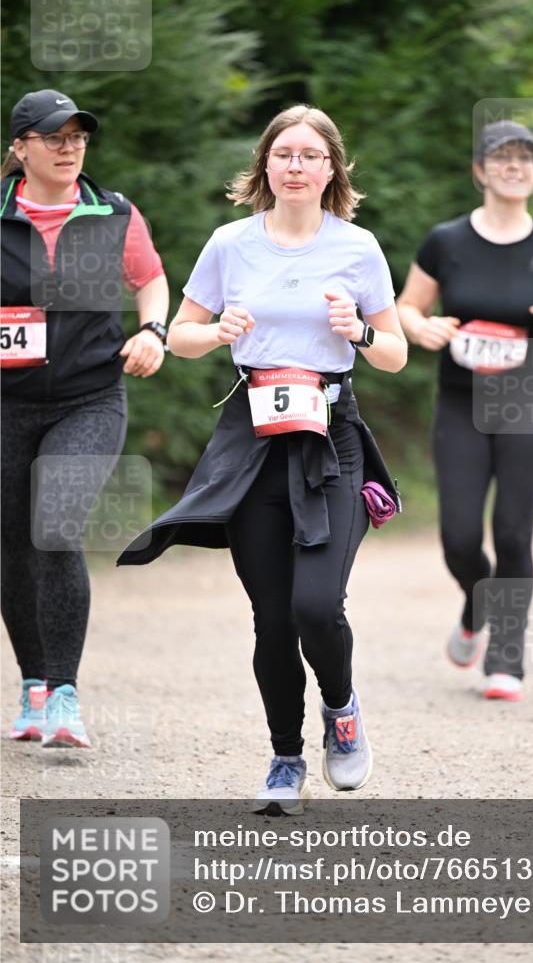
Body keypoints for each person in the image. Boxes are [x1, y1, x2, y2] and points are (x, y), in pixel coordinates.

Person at [117, 104, 406, 812]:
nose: (297, 166)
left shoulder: (356, 248)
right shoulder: (230, 243)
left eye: (311, 155)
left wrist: (359, 335)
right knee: (272, 618)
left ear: (331, 168)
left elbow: (395, 352)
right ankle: (284, 758)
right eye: (285, 154)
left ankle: (340, 709)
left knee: (316, 605)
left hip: (330, 437)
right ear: (265, 166)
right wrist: (217, 332)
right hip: (252, 441)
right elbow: (180, 333)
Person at [397, 120, 533, 702]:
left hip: (528, 401)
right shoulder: (446, 242)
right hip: (460, 401)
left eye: (524, 159)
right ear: (480, 171)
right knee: (458, 536)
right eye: (501, 158)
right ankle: (476, 604)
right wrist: (422, 327)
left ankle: (507, 659)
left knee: (512, 530)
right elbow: (408, 307)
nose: (514, 166)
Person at [1, 89, 169, 747]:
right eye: (53, 137)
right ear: (21, 149)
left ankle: (66, 695)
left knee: (57, 522)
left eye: (78, 136)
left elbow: (149, 277)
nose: (69, 147)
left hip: (88, 398)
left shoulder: (114, 214)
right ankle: (34, 684)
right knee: (14, 545)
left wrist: (153, 328)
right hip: (7, 405)